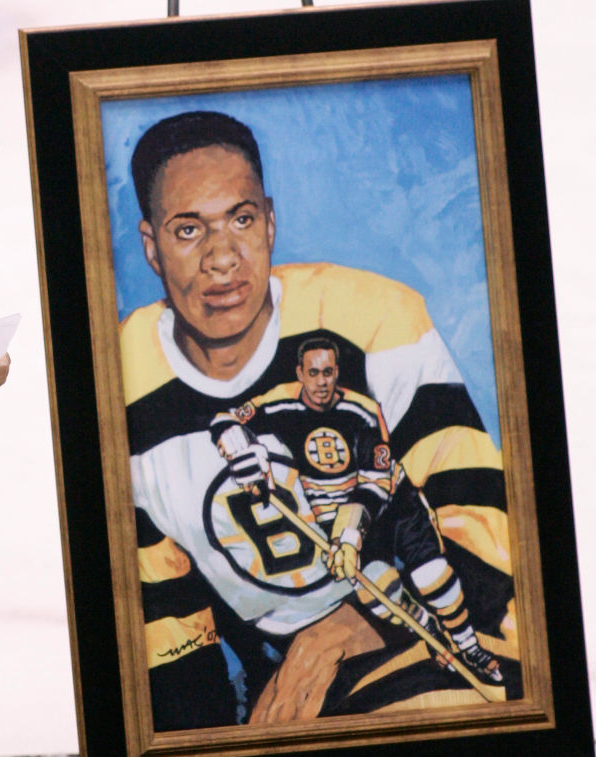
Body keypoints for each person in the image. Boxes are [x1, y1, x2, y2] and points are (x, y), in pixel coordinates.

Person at [120, 110, 515, 729]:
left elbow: (488, 528)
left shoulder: (375, 317)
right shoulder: (124, 377)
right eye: (189, 230)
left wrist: (346, 629)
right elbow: (172, 641)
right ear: (151, 246)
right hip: (285, 686)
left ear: (271, 223)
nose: (223, 259)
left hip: (444, 635)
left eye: (242, 220)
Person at [210, 337, 502, 721]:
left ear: (337, 373)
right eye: (312, 373)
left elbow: (372, 485)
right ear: (300, 374)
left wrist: (349, 538)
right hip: (336, 520)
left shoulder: (362, 411)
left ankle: (467, 644)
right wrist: (237, 447)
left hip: (389, 504)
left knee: (433, 576)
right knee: (381, 594)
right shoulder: (277, 401)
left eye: (328, 372)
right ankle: (430, 630)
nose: (321, 382)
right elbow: (224, 419)